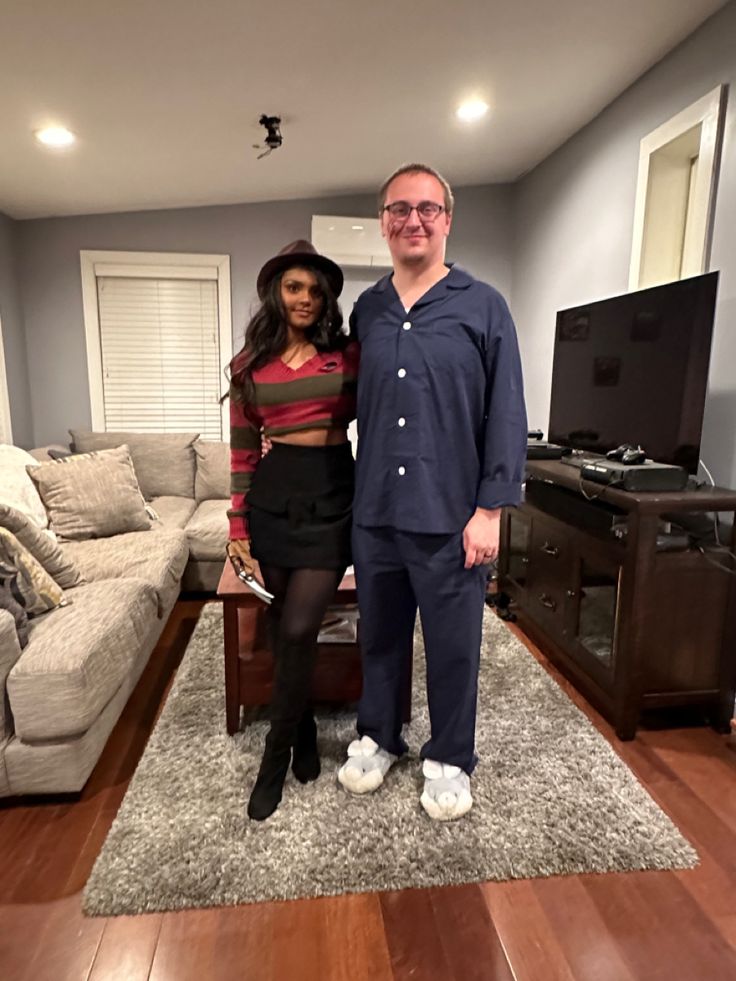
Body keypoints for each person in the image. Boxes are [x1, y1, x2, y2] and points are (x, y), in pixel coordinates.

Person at [337, 164, 527, 821]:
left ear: (447, 219)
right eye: (398, 209)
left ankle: (449, 756)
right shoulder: (367, 310)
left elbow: (505, 412)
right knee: (380, 637)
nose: (412, 220)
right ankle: (379, 735)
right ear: (383, 222)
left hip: (452, 516)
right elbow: (345, 396)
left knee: (452, 647)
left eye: (426, 209)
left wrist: (490, 511)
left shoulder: (484, 305)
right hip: (377, 513)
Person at [227, 240, 359, 821]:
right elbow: (240, 452)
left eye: (314, 289)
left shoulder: (350, 356)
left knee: (302, 626)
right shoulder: (248, 367)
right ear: (275, 294)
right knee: (282, 626)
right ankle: (301, 725)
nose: (305, 298)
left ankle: (273, 758)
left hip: (333, 495)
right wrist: (237, 525)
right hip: (273, 500)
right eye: (293, 287)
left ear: (326, 297)